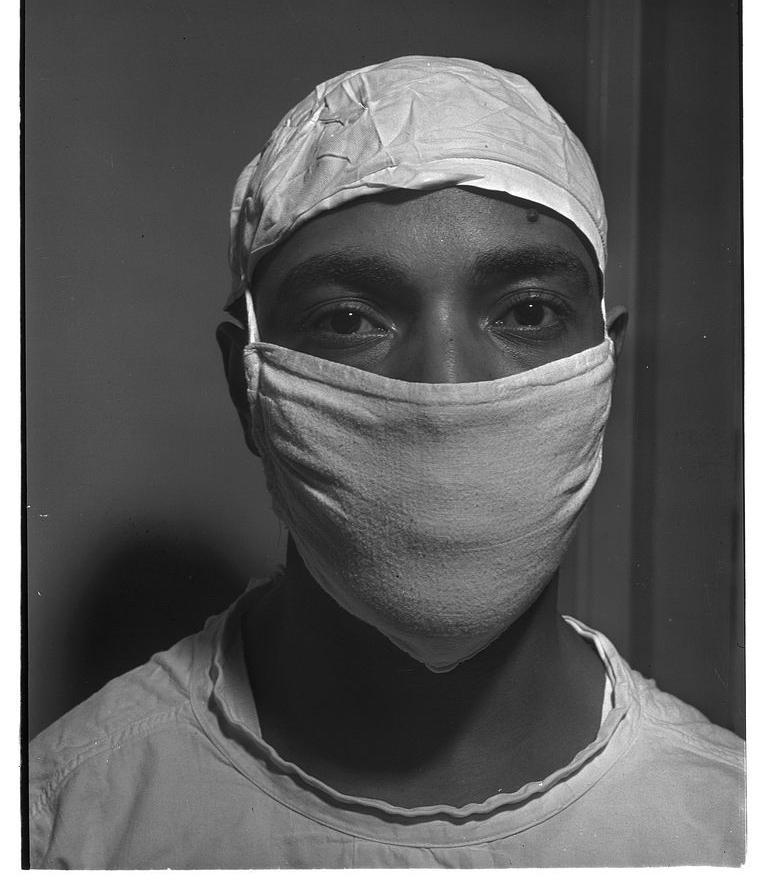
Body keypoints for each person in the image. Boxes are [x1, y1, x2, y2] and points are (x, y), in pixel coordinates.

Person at [28, 56, 745, 868]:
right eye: (349, 319)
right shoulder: (69, 824)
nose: (445, 384)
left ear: (603, 365)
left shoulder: (727, 830)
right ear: (248, 382)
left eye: (529, 312)